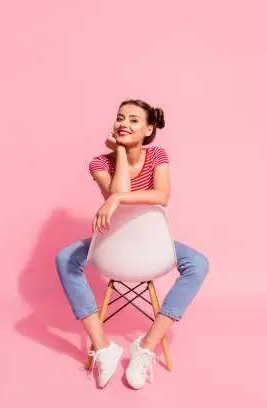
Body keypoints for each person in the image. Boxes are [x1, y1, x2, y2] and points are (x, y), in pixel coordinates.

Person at [55, 99, 209, 389]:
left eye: (134, 120)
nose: (124, 124)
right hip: (112, 243)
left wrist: (115, 198)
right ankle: (102, 347)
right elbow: (122, 190)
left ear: (149, 128)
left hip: (151, 244)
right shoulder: (100, 162)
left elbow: (162, 196)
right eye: (120, 118)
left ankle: (147, 346)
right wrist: (121, 154)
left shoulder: (158, 156)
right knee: (65, 259)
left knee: (198, 264)